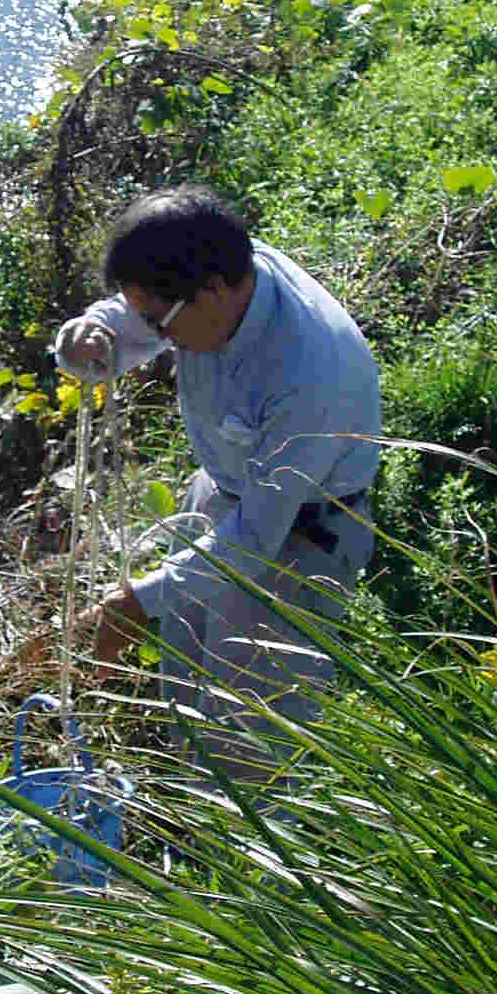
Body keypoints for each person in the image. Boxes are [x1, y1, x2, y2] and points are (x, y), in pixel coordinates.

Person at [47, 185, 381, 769]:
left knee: (253, 727)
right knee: (189, 672)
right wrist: (87, 334)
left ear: (215, 291)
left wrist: (131, 603)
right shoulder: (213, 282)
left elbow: (256, 540)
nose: (151, 335)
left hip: (300, 538)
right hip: (225, 497)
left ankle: (253, 839)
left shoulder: (308, 373)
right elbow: (131, 319)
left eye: (159, 322)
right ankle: (193, 793)